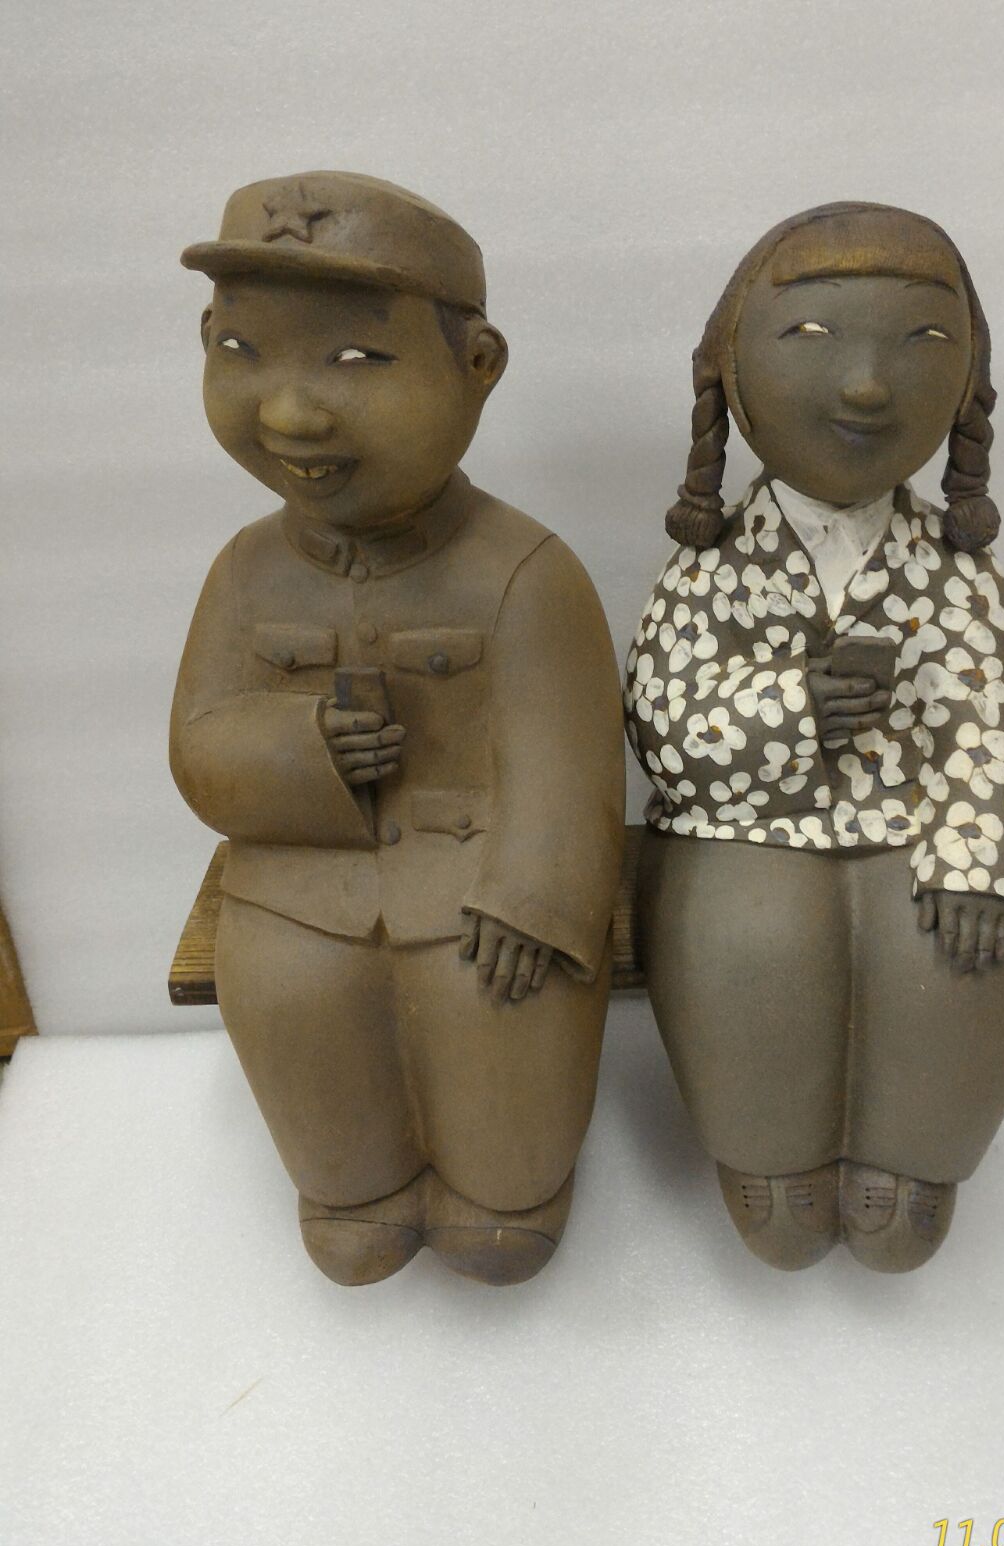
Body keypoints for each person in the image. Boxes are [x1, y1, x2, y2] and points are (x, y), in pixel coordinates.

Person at [172, 172, 625, 1287]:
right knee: (287, 995)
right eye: (240, 351)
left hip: (483, 894)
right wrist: (299, 752)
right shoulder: (244, 570)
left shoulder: (527, 572)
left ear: (479, 366)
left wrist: (533, 898)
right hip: (298, 884)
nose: (290, 413)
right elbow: (199, 743)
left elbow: (572, 769)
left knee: (502, 1088)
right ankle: (359, 1183)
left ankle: (507, 1186)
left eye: (356, 358)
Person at [626, 202, 1004, 1273]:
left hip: (918, 825)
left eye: (922, 341)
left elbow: (990, 724)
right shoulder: (712, 567)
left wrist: (977, 859)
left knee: (957, 950)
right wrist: (789, 708)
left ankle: (914, 1159)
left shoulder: (955, 576)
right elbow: (662, 718)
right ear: (732, 374)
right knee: (753, 936)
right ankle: (769, 1155)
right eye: (812, 337)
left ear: (967, 382)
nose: (865, 385)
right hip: (743, 825)